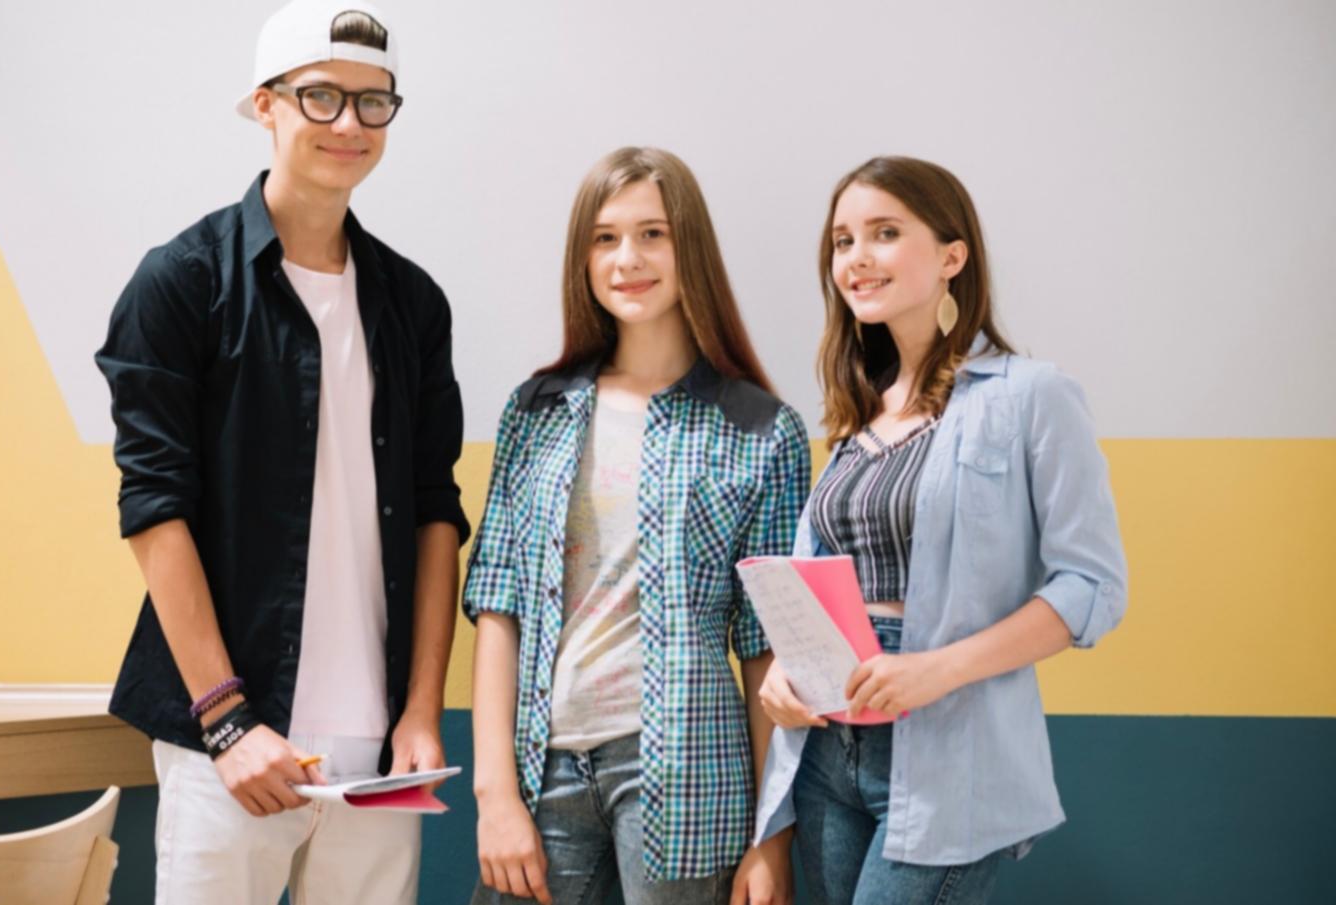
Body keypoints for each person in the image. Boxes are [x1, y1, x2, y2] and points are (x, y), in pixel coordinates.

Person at [94, 2, 469, 901]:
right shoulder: (181, 282)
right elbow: (154, 508)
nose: (349, 124)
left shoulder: (412, 303)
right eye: (321, 97)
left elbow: (433, 513)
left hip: (382, 749)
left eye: (373, 103)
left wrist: (420, 712)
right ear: (265, 107)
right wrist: (226, 720)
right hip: (234, 737)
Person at [754, 156, 1128, 905]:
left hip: (949, 746)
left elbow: (1092, 587)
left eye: (884, 233)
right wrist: (782, 672)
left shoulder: (1031, 396)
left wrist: (938, 668)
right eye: (841, 241)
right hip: (828, 742)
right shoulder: (858, 414)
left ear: (952, 256)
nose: (855, 258)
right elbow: (822, 585)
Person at [463, 146, 809, 905]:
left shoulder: (761, 430)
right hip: (540, 767)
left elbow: (766, 652)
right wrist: (495, 797)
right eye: (604, 237)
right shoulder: (536, 412)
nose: (628, 258)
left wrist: (770, 840)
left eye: (653, 234)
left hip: (688, 775)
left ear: (691, 249)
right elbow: (498, 606)